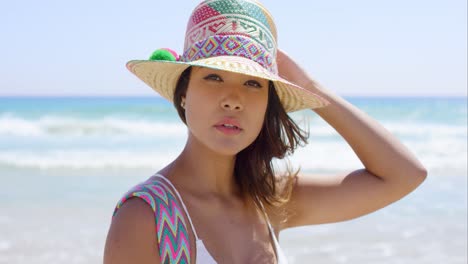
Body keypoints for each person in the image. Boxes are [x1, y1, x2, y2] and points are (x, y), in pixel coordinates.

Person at [103, 0, 427, 263]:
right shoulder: (147, 218)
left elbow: (404, 174)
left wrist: (312, 89)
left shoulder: (269, 198)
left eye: (253, 83)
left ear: (266, 104)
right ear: (183, 93)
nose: (233, 100)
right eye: (213, 77)